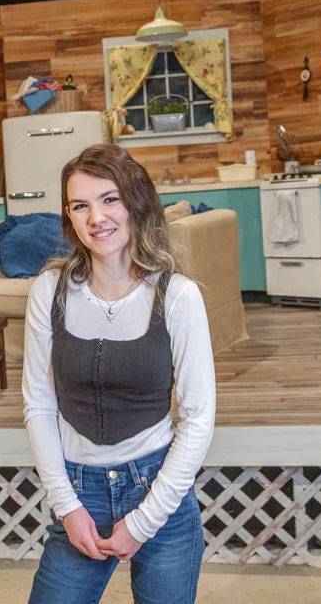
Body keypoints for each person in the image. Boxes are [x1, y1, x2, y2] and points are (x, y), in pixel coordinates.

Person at [23, 142, 215, 604]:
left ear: (135, 202)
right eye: (80, 206)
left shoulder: (178, 296)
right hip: (78, 487)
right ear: (68, 217)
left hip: (159, 489)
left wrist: (145, 519)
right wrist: (67, 507)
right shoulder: (50, 290)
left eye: (109, 199)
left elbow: (199, 416)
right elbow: (38, 404)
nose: (97, 218)